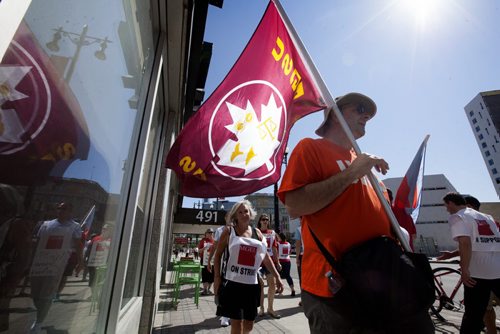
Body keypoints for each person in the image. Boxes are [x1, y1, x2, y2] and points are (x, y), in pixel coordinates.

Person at [277, 92, 434, 333]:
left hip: (383, 278)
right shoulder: (310, 148)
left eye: (368, 113)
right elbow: (295, 205)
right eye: (359, 109)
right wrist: (352, 172)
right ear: (335, 114)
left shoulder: (368, 167)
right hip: (335, 287)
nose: (366, 116)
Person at [213, 200, 283, 334]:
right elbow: (218, 255)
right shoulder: (229, 231)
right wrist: (217, 277)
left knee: (249, 324)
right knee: (236, 323)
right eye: (240, 212)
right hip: (232, 285)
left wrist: (277, 276)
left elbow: (266, 257)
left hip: (251, 285)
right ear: (235, 216)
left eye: (246, 211)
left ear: (250, 213)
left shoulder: (258, 233)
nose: (244, 214)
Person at [442, 193, 500, 334]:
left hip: (478, 273)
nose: (446, 210)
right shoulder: (487, 217)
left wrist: (465, 269)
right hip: (497, 269)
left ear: (451, 203)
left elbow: (465, 243)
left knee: (473, 316)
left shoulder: (458, 217)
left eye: (446, 205)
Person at [29, 202, 83, 333]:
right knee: (35, 294)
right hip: (39, 263)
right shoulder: (46, 225)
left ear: (71, 212)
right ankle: (41, 312)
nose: (61, 211)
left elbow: (78, 245)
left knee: (46, 294)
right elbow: (37, 243)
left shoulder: (75, 227)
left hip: (57, 264)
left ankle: (38, 322)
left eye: (65, 209)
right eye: (59, 208)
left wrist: (80, 262)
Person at [256, 214, 281, 318]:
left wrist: (277, 262)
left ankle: (270, 308)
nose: (265, 221)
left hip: (269, 262)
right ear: (260, 221)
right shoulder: (256, 232)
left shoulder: (272, 233)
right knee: (261, 285)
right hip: (259, 262)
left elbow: (274, 248)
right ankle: (261, 308)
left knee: (272, 285)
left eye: (267, 219)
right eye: (263, 219)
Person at [277, 232, 296, 297]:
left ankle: (280, 290)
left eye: (278, 237)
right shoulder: (288, 244)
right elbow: (290, 252)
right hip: (287, 261)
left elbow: (276, 252)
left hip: (280, 261)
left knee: (278, 276)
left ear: (280, 237)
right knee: (288, 276)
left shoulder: (278, 244)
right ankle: (292, 289)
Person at [197, 228, 215, 295]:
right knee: (205, 274)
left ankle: (209, 289)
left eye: (212, 233)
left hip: (212, 261)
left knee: (211, 275)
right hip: (204, 260)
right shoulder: (203, 241)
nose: (211, 234)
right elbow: (198, 251)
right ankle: (205, 290)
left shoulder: (215, 241)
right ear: (206, 234)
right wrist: (204, 248)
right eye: (209, 232)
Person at [293, 222, 304, 307]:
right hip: (315, 255)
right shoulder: (315, 225)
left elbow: (298, 245)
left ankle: (304, 299)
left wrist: (297, 258)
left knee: (302, 278)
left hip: (304, 256)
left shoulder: (299, 229)